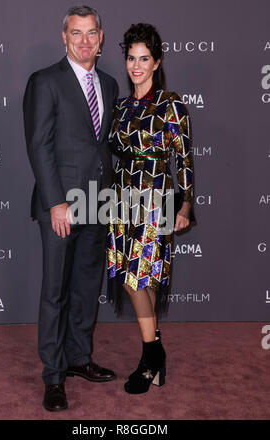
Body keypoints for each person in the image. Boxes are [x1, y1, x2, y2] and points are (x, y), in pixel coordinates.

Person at [23, 6, 118, 412]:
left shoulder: (111, 84)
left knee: (85, 288)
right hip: (62, 205)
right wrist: (57, 202)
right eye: (76, 33)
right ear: (64, 37)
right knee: (55, 292)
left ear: (100, 36)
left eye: (91, 32)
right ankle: (54, 375)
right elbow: (39, 146)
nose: (84, 40)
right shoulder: (45, 81)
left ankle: (79, 359)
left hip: (99, 202)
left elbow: (105, 147)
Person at [107, 23, 194, 394]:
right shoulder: (121, 106)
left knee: (138, 277)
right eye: (131, 58)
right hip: (121, 200)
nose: (136, 65)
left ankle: (150, 356)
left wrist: (186, 204)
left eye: (144, 58)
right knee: (142, 278)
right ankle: (155, 353)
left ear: (157, 62)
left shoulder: (172, 105)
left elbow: (185, 160)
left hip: (156, 199)